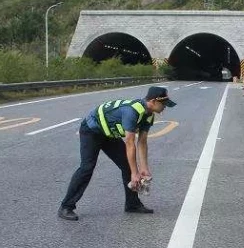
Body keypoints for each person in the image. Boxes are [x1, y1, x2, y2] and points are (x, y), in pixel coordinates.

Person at [57, 86, 176, 221]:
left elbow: (142, 142)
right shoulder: (132, 111)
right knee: (87, 167)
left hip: (109, 134)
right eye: (164, 104)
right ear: (153, 101)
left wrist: (143, 168)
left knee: (127, 165)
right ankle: (66, 206)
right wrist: (134, 173)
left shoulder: (148, 115)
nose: (165, 107)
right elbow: (130, 143)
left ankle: (132, 204)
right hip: (91, 131)